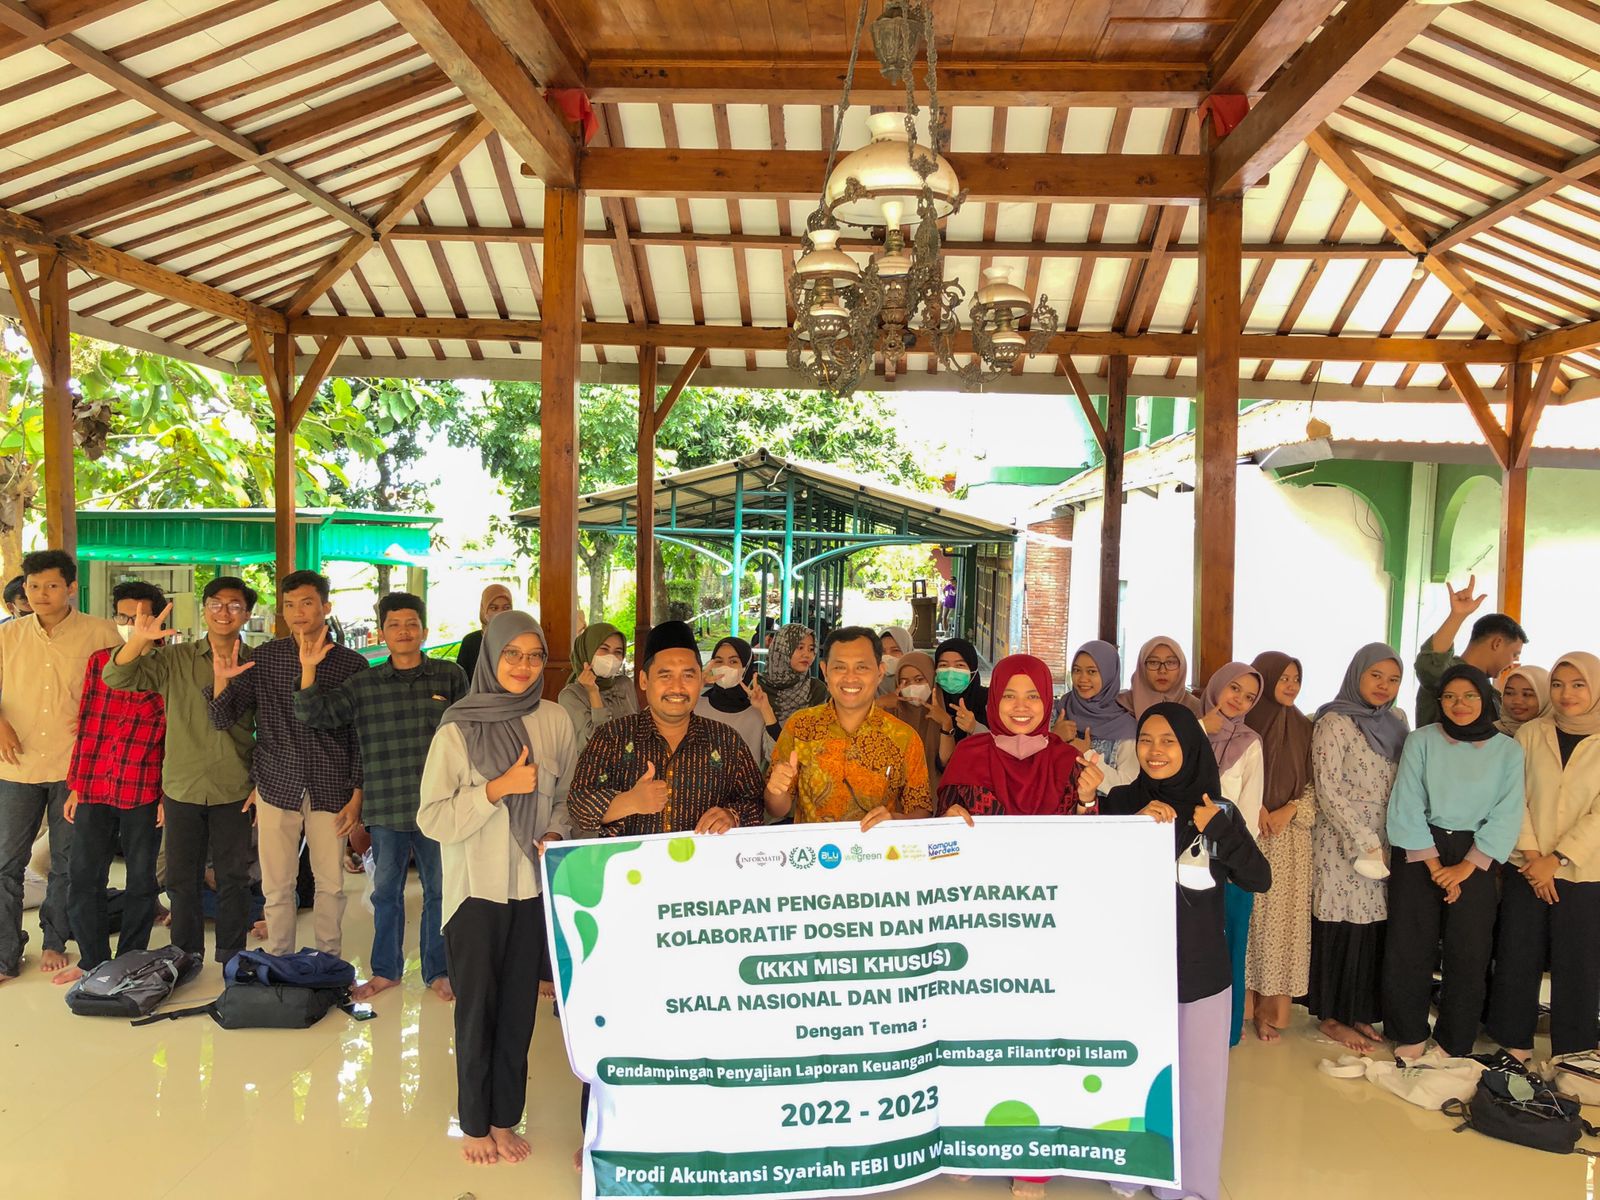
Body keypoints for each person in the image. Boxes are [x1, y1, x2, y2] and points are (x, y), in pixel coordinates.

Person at [418, 611, 574, 1167]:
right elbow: (432, 817)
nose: (524, 666)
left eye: (534, 656)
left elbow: (568, 796)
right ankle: (474, 1124)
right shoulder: (457, 728)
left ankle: (506, 1119)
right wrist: (496, 790)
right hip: (474, 891)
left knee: (517, 1012)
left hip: (529, 889)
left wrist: (555, 829)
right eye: (513, 654)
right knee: (476, 1010)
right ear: (491, 656)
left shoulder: (554, 720)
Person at [1100, 705, 1270, 1200]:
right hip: (1134, 970)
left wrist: (1219, 828)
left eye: (1169, 741)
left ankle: (1188, 1184)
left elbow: (1259, 878)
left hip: (1199, 973)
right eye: (1146, 739)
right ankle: (1132, 1171)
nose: (1155, 751)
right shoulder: (1120, 802)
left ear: (1191, 746)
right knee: (1137, 1074)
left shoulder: (1219, 810)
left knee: (1197, 1086)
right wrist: (1127, 822)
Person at [294, 592, 468, 1001]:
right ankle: (385, 971)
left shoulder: (450, 675)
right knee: (385, 893)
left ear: (424, 631)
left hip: (440, 806)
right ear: (383, 632)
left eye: (411, 624)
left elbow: (473, 732)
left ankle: (438, 970)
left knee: (440, 892)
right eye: (394, 625)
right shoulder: (364, 683)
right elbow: (314, 714)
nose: (403, 631)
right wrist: (307, 669)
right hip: (387, 805)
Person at [207, 570, 367, 958]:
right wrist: (221, 680)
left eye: (307, 603)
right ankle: (279, 962)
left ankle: (328, 962)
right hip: (277, 783)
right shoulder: (265, 658)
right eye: (290, 605)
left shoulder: (352, 664)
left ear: (326, 607)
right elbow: (221, 718)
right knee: (277, 885)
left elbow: (362, 737)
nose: (298, 613)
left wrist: (357, 797)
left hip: (332, 787)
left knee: (331, 884)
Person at [106, 577, 259, 965]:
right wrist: (139, 640)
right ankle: (186, 953)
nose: (225, 612)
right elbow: (117, 677)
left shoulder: (258, 664)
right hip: (181, 786)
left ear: (247, 613)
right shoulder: (176, 659)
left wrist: (259, 783)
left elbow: (271, 730)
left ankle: (231, 954)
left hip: (234, 786)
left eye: (235, 605)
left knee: (234, 878)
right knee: (180, 879)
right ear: (205, 609)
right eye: (216, 604)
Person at [1384, 664, 1523, 1060]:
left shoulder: (1507, 750)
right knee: (1410, 944)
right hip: (1419, 849)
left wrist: (1465, 867)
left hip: (1476, 854)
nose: (1459, 705)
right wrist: (1434, 866)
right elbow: (1406, 801)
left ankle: (1455, 1040)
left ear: (1485, 699)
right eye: (1449, 697)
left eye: (1469, 696)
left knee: (1469, 950)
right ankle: (1409, 1032)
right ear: (1439, 700)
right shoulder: (1421, 740)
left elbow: (1508, 811)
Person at [0, 550, 121, 981]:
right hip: (17, 766)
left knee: (68, 862)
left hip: (77, 766)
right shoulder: (8, 636)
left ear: (71, 587)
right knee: (5, 862)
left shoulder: (102, 633)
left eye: (51, 585)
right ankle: (4, 952)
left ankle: (55, 939)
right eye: (33, 586)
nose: (40, 594)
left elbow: (122, 693)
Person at [1486, 652, 1600, 1067]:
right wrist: (1535, 858)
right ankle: (1513, 1042)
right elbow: (1514, 797)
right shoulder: (1532, 733)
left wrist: (1558, 859)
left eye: (1578, 685)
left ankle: (1575, 1052)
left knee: (1579, 962)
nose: (1566, 694)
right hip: (1526, 866)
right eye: (1558, 685)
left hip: (1585, 872)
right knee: (1518, 953)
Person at [59, 580, 170, 983]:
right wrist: (76, 785)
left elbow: (173, 735)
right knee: (85, 875)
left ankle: (131, 959)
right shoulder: (98, 661)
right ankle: (92, 960)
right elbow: (87, 724)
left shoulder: (167, 667)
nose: (131, 623)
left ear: (156, 619)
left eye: (140, 616)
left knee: (141, 878)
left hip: (143, 788)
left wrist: (163, 795)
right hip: (95, 784)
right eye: (124, 616)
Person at [570, 620, 763, 838]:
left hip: (706, 868)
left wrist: (732, 815)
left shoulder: (726, 740)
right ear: (644, 680)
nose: (677, 687)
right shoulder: (612, 736)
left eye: (688, 675)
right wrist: (629, 802)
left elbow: (755, 801)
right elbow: (578, 803)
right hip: (630, 869)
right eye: (665, 675)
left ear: (700, 680)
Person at [1306, 644, 1408, 1052]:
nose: (1384, 686)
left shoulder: (1398, 722)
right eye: (1375, 676)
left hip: (1387, 835)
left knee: (1372, 928)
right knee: (1342, 925)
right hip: (1342, 840)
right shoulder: (1334, 721)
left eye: (1393, 679)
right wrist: (1364, 841)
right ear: (1357, 675)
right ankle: (1332, 1017)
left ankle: (1360, 1011)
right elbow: (1327, 789)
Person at [765, 626, 932, 828]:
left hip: (875, 854)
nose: (850, 677)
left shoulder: (904, 737)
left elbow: (921, 808)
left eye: (861, 667)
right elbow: (777, 809)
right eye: (840, 667)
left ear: (880, 672)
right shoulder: (800, 726)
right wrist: (776, 791)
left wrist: (895, 820)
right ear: (825, 671)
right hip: (813, 854)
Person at [1242, 651, 1317, 1044]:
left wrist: (1289, 809)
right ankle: (1241, 1007)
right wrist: (1254, 807)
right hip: (1248, 834)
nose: (1289, 685)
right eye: (1282, 677)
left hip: (1288, 841)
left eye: (1296, 678)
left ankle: (1269, 1013)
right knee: (1247, 922)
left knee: (1280, 929)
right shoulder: (1243, 724)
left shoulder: (1308, 728)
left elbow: (1315, 786)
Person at [939, 654, 1102, 821]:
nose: (1021, 706)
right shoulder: (968, 755)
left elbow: (1084, 840)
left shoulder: (1068, 760)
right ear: (995, 698)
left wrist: (1087, 800)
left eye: (1033, 696)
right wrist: (947, 819)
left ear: (1046, 700)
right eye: (1009, 696)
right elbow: (941, 830)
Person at [1200, 662, 1265, 1047]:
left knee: (1230, 945)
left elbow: (1250, 809)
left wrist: (1236, 859)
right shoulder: (1187, 730)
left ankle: (1226, 1031)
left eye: (1249, 696)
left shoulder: (1250, 743)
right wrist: (1199, 730)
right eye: (1234, 688)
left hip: (1229, 862)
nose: (1238, 699)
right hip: (1185, 862)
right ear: (1218, 686)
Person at [1413, 575, 1527, 729]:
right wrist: (1457, 616)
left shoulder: (1492, 693)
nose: (1512, 663)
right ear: (1497, 643)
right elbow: (1430, 663)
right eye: (1514, 654)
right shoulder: (1447, 673)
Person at [1051, 639, 1139, 793]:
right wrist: (1053, 738)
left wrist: (1087, 755)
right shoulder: (1057, 711)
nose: (1083, 679)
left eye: (1092, 671)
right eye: (1077, 670)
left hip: (1101, 814)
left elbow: (1128, 786)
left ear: (1109, 674)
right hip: (1057, 812)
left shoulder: (1124, 726)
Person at [696, 636, 779, 766]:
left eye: (733, 662)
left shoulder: (758, 712)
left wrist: (766, 711)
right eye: (719, 661)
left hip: (747, 786)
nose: (725, 667)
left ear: (746, 667)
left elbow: (777, 755)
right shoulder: (696, 706)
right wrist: (693, 690)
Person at [557, 622, 638, 755]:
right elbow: (597, 746)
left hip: (631, 769)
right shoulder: (571, 695)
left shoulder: (624, 684)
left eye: (618, 652)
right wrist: (593, 692)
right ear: (587, 650)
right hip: (596, 773)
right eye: (604, 649)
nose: (611, 657)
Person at [879, 652, 950, 791]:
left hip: (934, 795)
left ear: (931, 680)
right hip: (894, 799)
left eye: (919, 680)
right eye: (904, 682)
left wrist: (946, 724)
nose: (912, 687)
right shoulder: (888, 713)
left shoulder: (942, 713)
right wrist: (877, 705)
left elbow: (945, 763)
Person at [932, 637, 987, 767]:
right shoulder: (931, 704)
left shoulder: (988, 701)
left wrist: (975, 728)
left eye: (960, 665)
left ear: (972, 669)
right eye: (943, 665)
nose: (951, 673)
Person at [760, 623, 827, 730]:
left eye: (811, 649)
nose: (807, 654)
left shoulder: (816, 689)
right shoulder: (759, 687)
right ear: (781, 649)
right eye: (800, 647)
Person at [1120, 635, 1203, 719]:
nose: (1162, 670)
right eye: (1153, 662)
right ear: (1141, 667)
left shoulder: (1196, 709)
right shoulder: (1121, 706)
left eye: (1170, 662)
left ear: (1182, 667)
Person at [456, 583, 512, 685]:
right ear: (484, 611)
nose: (500, 613)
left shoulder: (518, 641)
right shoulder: (470, 642)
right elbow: (462, 682)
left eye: (506, 608)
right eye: (494, 608)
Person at [1496, 665, 1551, 737]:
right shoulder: (1487, 734)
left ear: (1546, 697)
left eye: (1527, 694)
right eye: (1509, 693)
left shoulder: (1557, 737)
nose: (1517, 701)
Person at [877, 626, 914, 697]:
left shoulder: (919, 680)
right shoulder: (870, 683)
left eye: (895, 650)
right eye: (882, 651)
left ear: (907, 651)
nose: (887, 656)